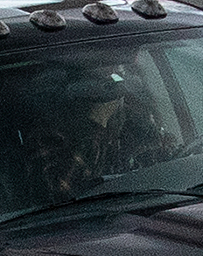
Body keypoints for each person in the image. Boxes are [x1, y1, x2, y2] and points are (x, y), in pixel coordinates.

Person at [20, 61, 178, 205]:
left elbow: (159, 169)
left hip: (139, 207)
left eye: (119, 78)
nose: (115, 89)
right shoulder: (50, 132)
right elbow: (59, 194)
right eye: (105, 83)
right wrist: (96, 124)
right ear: (79, 88)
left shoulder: (134, 123)